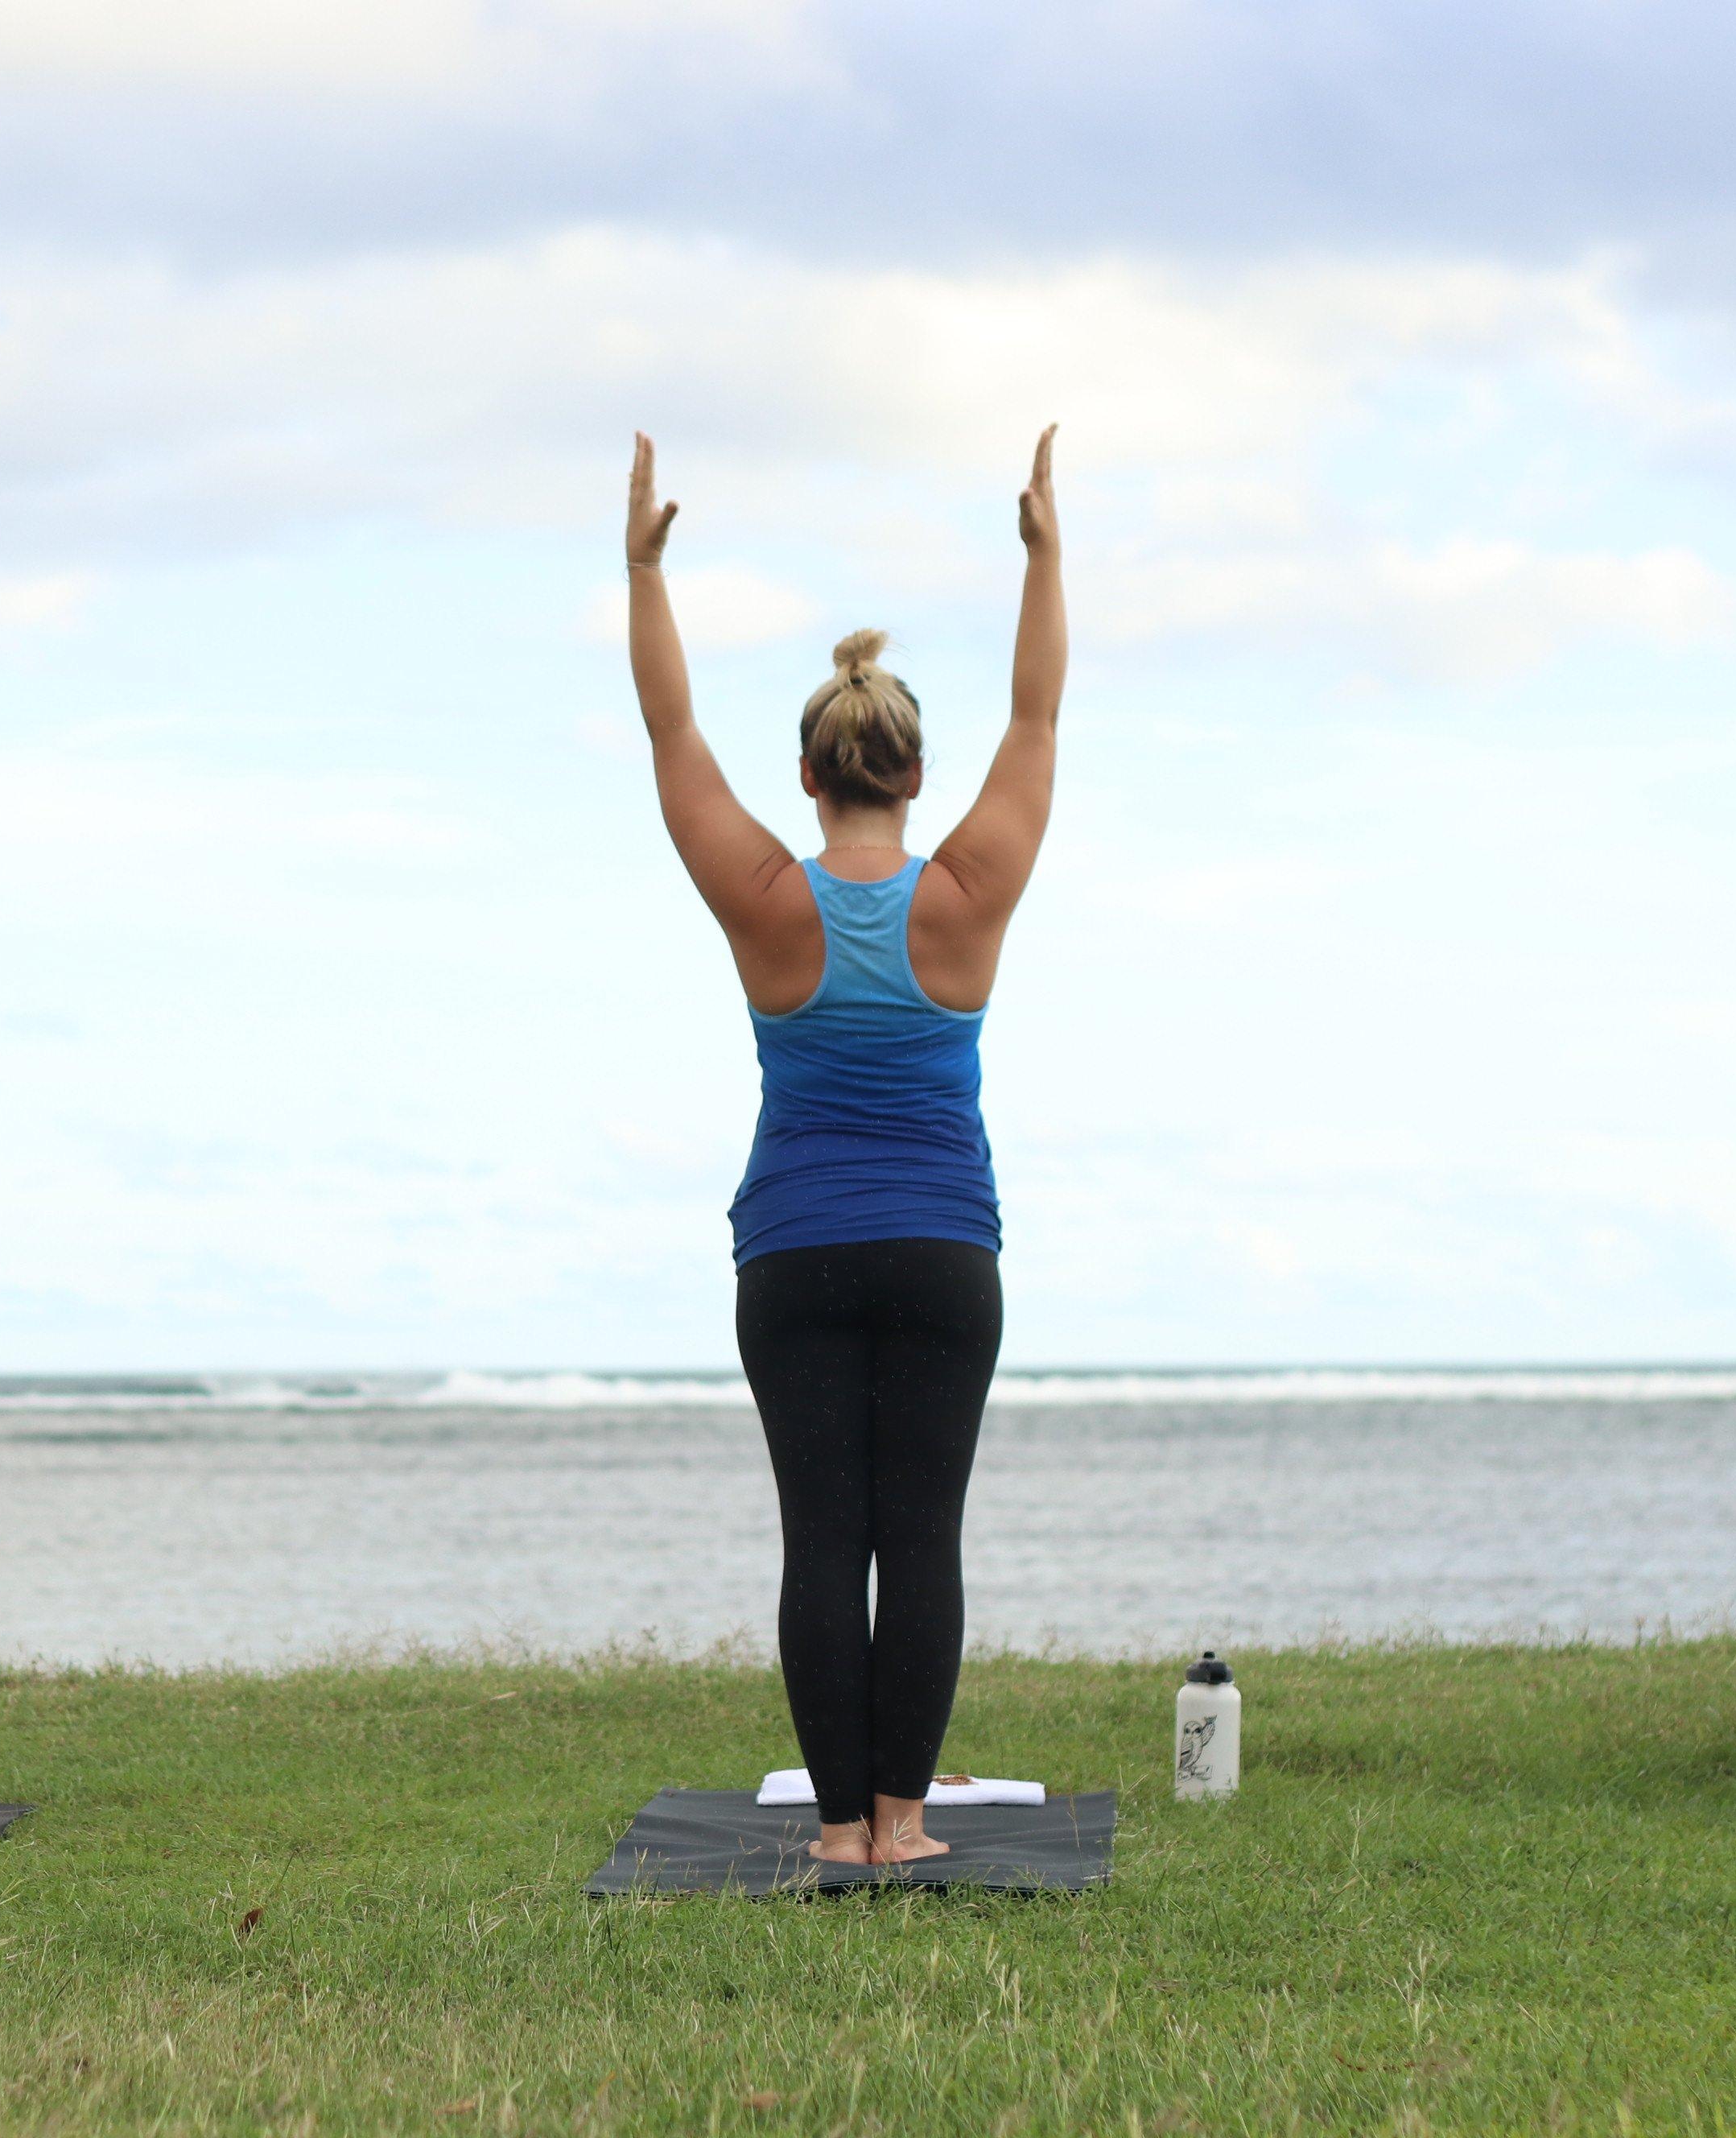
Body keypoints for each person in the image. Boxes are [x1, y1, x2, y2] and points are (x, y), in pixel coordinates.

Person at [621, 427, 1066, 1865]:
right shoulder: (967, 894)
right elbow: (1038, 720)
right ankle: (902, 1826)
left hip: (797, 1256)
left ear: (809, 776)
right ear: (913, 774)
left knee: (824, 1540)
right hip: (942, 1251)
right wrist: (1044, 558)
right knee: (920, 1538)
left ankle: (831, 1834)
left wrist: (643, 575)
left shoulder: (768, 898)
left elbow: (671, 739)